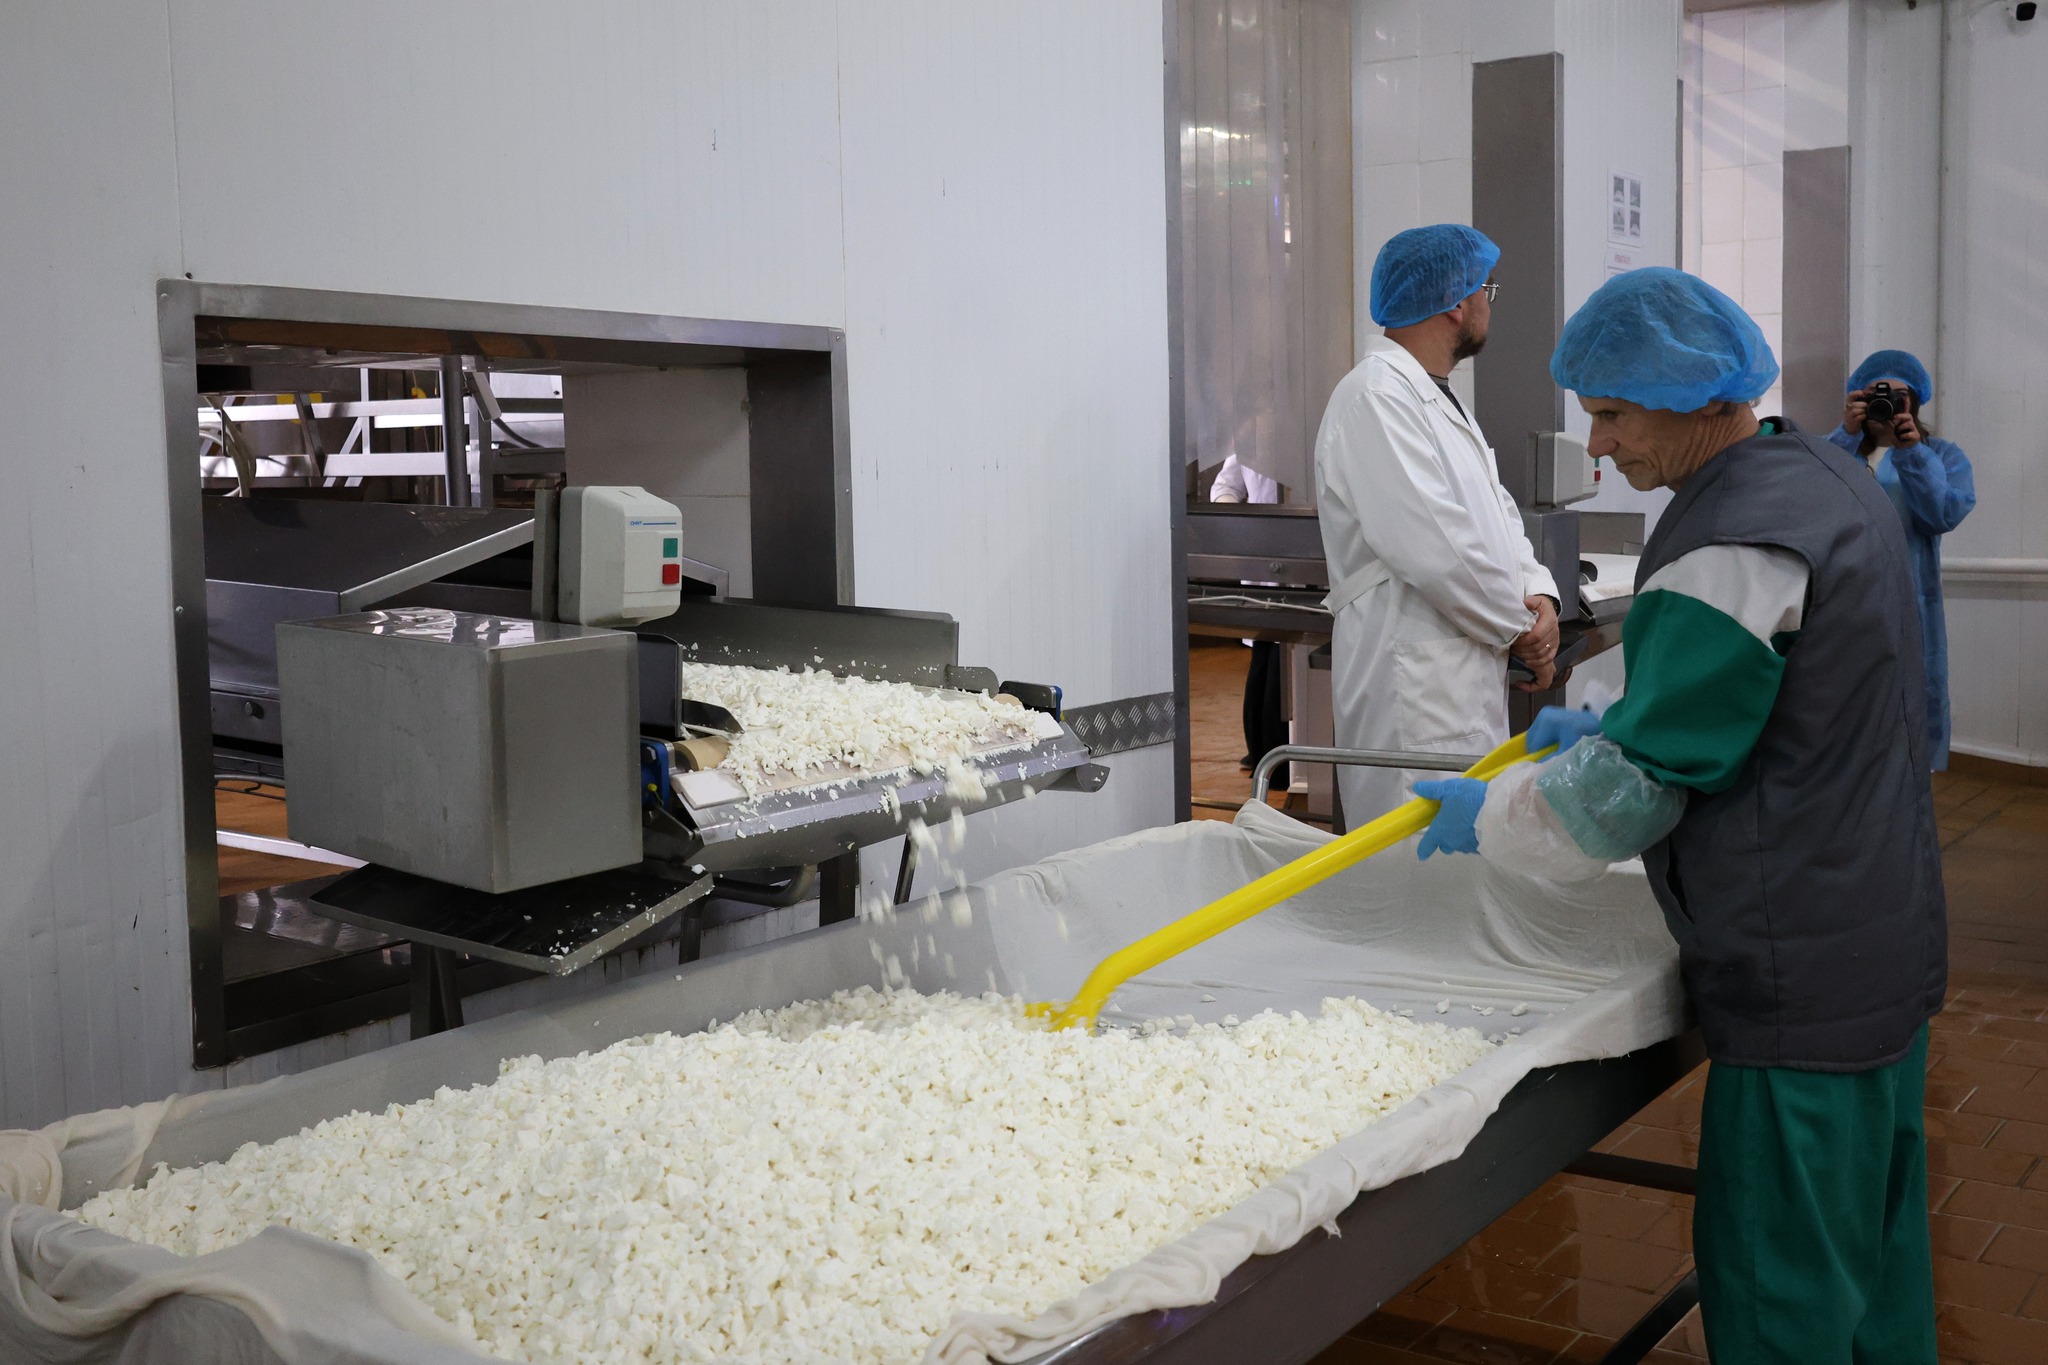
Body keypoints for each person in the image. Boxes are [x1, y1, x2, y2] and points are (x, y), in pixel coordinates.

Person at [1413, 268, 1946, 1364]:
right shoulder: (1826, 478)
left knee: (1782, 1294)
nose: (1597, 444)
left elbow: (1621, 804)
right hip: (1881, 940)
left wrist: (1497, 816)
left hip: (1799, 984)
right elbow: (1780, 691)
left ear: (1702, 399)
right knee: (1874, 1273)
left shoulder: (1731, 541)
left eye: (1614, 414)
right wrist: (1621, 713)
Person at [1313, 224, 1560, 822]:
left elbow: (1496, 512)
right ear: (1455, 303)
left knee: (1464, 847)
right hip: (1412, 683)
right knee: (1411, 853)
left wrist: (1540, 592)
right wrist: (1522, 631)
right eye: (1485, 290)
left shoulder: (1435, 397)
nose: (1488, 305)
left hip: (1457, 670)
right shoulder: (1375, 397)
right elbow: (1435, 549)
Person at [1827, 349, 1975, 769]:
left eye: (1897, 397)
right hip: (1842, 601)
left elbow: (1941, 516)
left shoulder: (1941, 455)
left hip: (1909, 598)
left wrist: (1912, 454)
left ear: (1914, 403)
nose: (1886, 404)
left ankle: (1907, 785)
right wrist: (1845, 436)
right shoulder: (1833, 450)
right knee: (1844, 699)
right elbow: (1812, 502)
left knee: (1909, 695)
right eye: (1875, 394)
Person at [1209, 453, 1289, 788]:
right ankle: (1267, 760)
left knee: (1275, 664)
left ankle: (1268, 758)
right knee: (1266, 662)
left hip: (1290, 566)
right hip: (1262, 562)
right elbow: (1223, 488)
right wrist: (1242, 525)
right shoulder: (1249, 443)